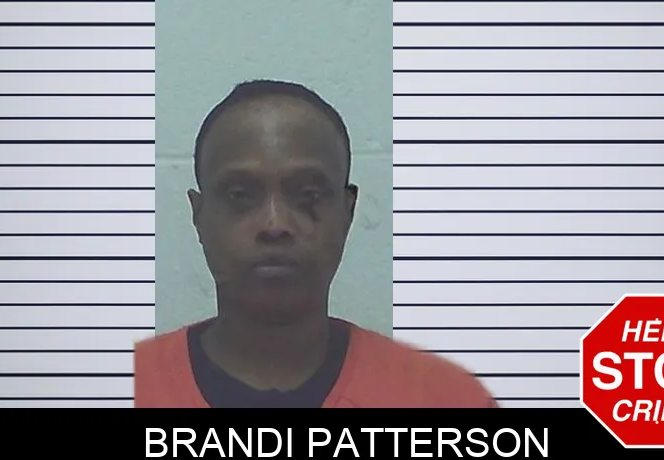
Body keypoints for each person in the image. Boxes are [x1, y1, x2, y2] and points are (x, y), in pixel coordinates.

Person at [134, 79, 498, 408]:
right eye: (240, 195)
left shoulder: (447, 398)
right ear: (199, 215)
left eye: (307, 194)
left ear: (347, 212)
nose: (275, 224)